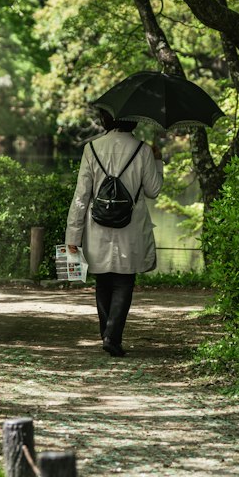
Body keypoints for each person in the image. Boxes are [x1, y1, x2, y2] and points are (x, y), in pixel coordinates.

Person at [65, 109, 163, 356]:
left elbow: (81, 196)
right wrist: (157, 160)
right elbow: (153, 191)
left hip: (97, 226)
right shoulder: (142, 150)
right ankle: (112, 336)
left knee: (103, 280)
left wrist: (72, 239)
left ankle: (108, 334)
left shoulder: (92, 148)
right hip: (130, 227)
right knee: (124, 280)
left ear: (106, 119)